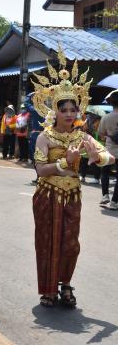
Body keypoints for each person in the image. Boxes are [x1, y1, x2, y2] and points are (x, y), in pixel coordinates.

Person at [31, 54, 114, 307]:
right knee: (47, 242)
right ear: (54, 110)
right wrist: (65, 163)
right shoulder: (44, 137)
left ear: (79, 110)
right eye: (63, 109)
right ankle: (48, 289)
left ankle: (66, 284)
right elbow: (40, 169)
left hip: (72, 197)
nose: (69, 113)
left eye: (73, 108)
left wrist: (97, 157)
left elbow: (108, 156)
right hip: (47, 196)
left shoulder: (82, 137)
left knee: (70, 243)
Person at [98, 90, 118, 209]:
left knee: (105, 173)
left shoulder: (106, 117)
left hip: (109, 150)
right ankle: (114, 202)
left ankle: (105, 195)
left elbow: (101, 134)